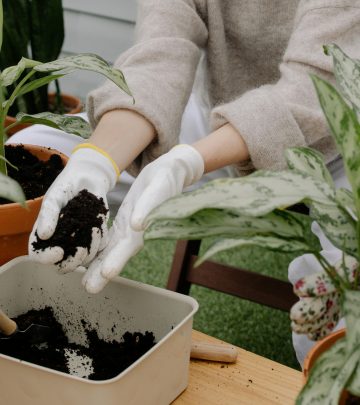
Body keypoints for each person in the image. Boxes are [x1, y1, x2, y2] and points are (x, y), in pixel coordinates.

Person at [21, 3, 359, 305]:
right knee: (28, 154)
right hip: (222, 123)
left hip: (343, 146)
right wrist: (98, 159)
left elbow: (316, 87)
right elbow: (159, 56)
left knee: (339, 306)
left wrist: (189, 162)